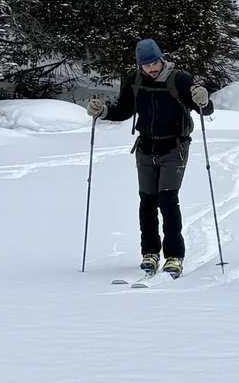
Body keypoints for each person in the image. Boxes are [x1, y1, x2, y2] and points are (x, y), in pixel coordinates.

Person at [88, 39, 213, 277]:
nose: (152, 68)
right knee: (147, 203)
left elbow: (205, 110)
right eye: (146, 65)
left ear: (161, 58)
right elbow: (124, 110)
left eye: (154, 63)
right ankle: (150, 253)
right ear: (139, 65)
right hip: (145, 148)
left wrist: (203, 99)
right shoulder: (133, 82)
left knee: (167, 201)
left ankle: (174, 256)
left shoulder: (179, 79)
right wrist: (102, 111)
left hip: (174, 148)